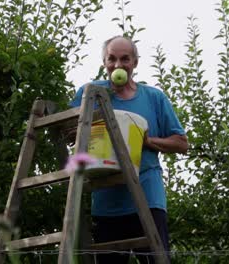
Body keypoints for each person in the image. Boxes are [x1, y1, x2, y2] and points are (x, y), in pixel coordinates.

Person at [69, 36, 188, 263]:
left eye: (125, 59)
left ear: (135, 62)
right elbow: (68, 132)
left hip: (147, 196)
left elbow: (181, 143)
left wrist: (148, 142)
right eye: (111, 59)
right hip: (106, 201)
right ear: (104, 62)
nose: (118, 65)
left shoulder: (154, 98)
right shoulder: (90, 94)